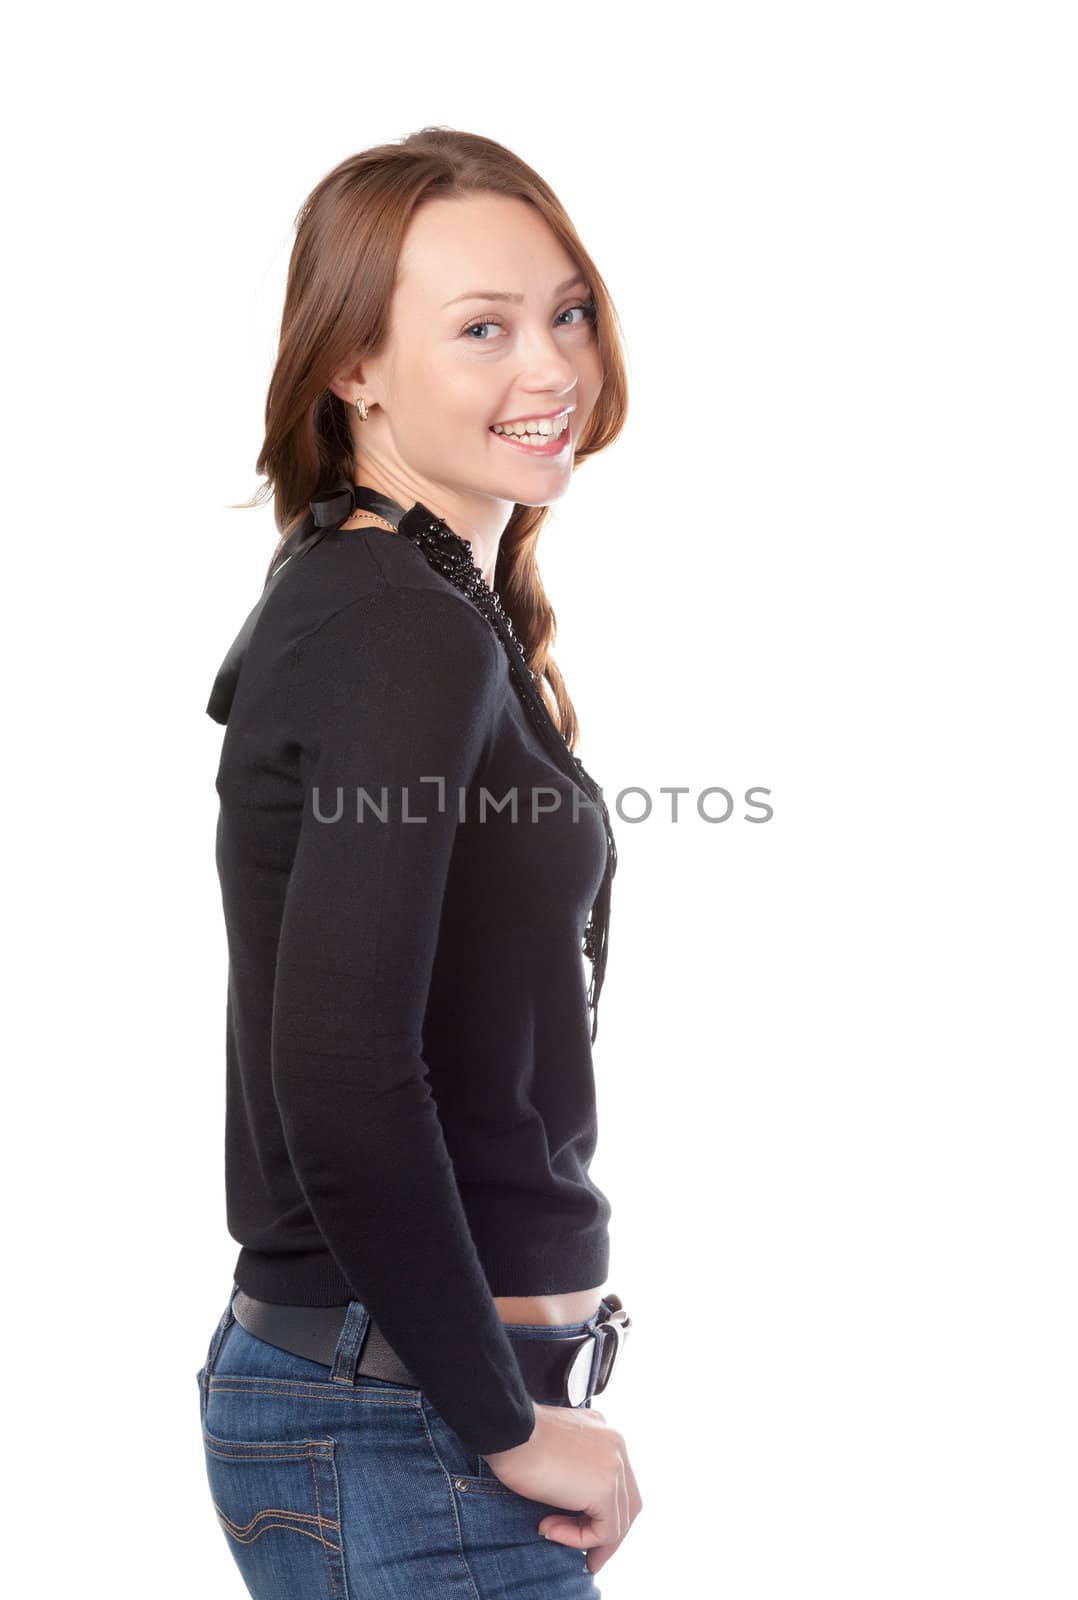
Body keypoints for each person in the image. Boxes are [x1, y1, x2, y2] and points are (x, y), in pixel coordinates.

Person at [196, 126, 642, 1598]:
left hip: (393, 1401)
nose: (551, 368)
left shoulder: (406, 591)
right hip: (399, 1420)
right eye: (481, 329)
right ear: (353, 368)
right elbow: (338, 1068)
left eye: (565, 310)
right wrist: (502, 1418)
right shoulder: (399, 620)